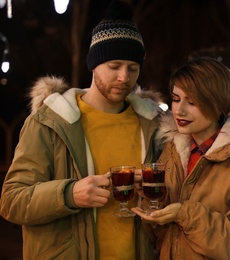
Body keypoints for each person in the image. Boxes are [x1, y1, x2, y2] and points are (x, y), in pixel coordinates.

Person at [0, 1, 162, 259]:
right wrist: (69, 195)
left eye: (133, 68)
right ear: (93, 64)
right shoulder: (50, 122)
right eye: (114, 66)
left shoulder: (154, 124)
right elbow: (12, 201)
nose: (124, 77)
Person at [131, 57, 230, 259]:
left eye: (192, 102)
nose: (179, 110)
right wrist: (153, 197)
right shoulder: (172, 150)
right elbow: (163, 236)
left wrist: (185, 215)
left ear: (217, 104)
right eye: (176, 98)